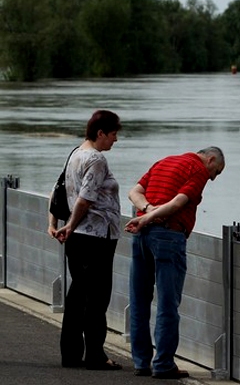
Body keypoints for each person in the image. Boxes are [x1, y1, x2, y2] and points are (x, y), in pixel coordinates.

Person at [124, 146, 225, 379]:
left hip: (141, 236)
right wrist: (151, 215)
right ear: (209, 160)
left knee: (139, 301)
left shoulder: (164, 161)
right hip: (168, 237)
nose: (213, 178)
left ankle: (141, 362)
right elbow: (180, 202)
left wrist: (146, 211)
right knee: (168, 304)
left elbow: (134, 192)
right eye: (216, 171)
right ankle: (163, 364)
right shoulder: (198, 170)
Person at [47, 109, 123, 370]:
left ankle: (72, 354)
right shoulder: (96, 159)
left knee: (78, 296)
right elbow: (86, 198)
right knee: (95, 298)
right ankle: (94, 355)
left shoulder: (75, 154)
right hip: (95, 237)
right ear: (100, 133)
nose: (115, 140)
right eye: (113, 135)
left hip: (79, 238)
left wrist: (55, 223)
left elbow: (57, 189)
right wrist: (70, 224)